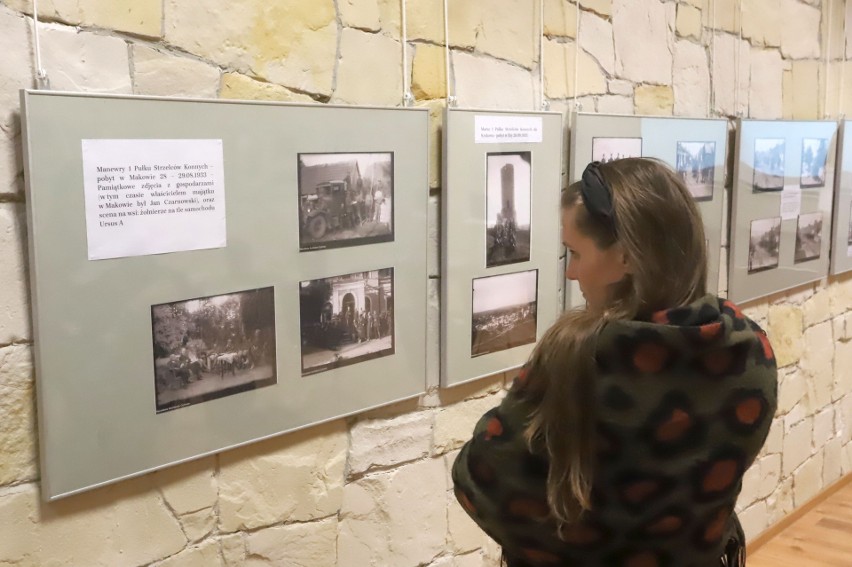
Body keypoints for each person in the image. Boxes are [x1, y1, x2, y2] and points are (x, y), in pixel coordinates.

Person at [452, 158, 778, 567]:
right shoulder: (747, 347)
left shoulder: (578, 354)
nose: (570, 273)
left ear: (625, 257)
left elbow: (480, 478)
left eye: (574, 253)